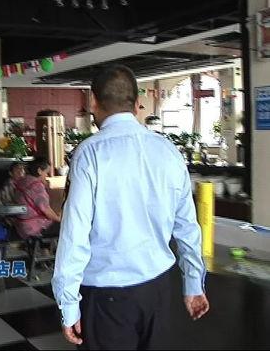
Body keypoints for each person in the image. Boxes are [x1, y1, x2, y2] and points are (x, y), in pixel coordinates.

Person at [52, 65, 209, 350]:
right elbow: (187, 225)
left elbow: (74, 234)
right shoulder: (168, 151)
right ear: (137, 104)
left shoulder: (89, 154)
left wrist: (69, 303)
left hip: (107, 298)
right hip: (159, 290)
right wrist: (193, 283)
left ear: (93, 102)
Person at [13, 157, 61, 239]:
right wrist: (59, 219)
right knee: (68, 226)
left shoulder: (22, 181)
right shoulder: (36, 186)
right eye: (46, 172)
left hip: (21, 226)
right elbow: (46, 211)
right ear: (39, 171)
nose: (47, 175)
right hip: (35, 227)